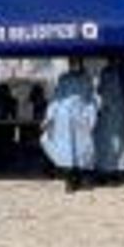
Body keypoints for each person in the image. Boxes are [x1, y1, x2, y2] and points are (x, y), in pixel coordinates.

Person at [41, 58, 98, 192]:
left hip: (81, 117)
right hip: (65, 118)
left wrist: (91, 117)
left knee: (83, 149)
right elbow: (56, 98)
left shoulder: (86, 79)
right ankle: (70, 181)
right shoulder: (64, 79)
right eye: (72, 62)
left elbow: (91, 99)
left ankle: (82, 179)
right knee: (67, 151)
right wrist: (49, 117)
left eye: (76, 62)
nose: (74, 65)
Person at [94, 59, 124, 185]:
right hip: (110, 116)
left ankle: (109, 174)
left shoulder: (112, 75)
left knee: (110, 146)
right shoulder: (110, 74)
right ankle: (109, 174)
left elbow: (101, 93)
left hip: (111, 116)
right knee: (111, 146)